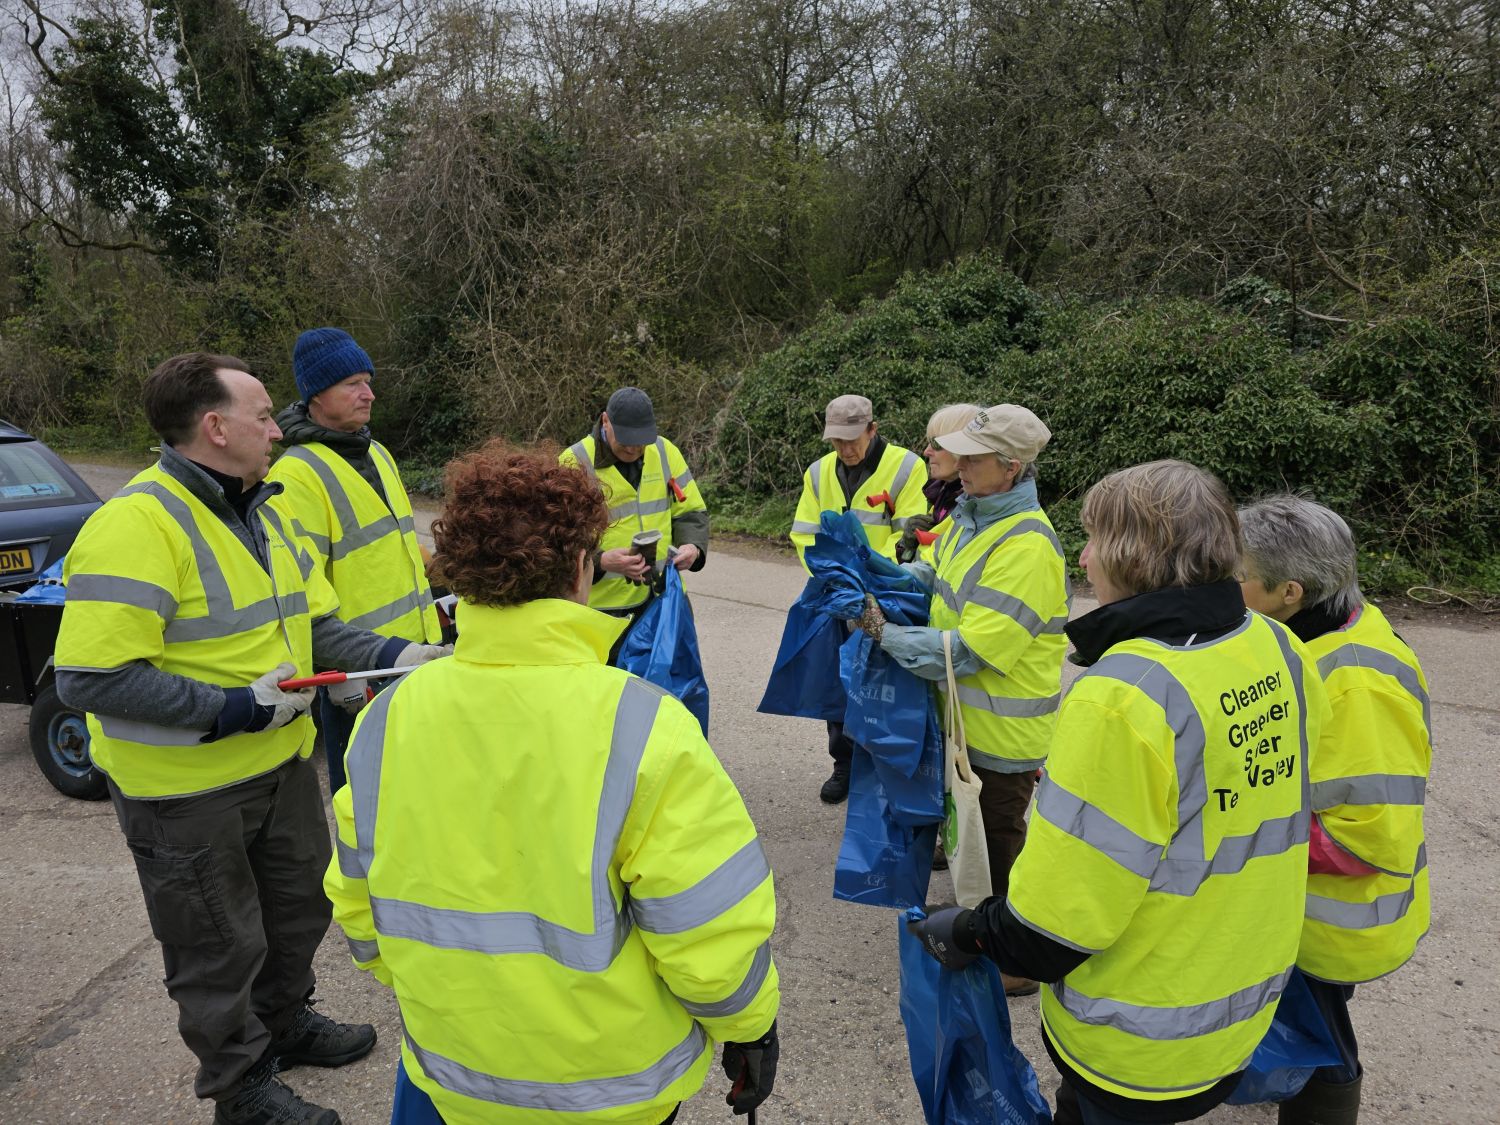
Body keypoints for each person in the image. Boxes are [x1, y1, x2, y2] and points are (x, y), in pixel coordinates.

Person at [324, 442, 780, 1125]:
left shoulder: (387, 718)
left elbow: (360, 907)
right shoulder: (643, 722)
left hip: (455, 1075)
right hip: (616, 1091)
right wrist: (750, 1026)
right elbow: (705, 924)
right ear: (579, 567)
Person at [54, 353, 451, 1125]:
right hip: (186, 793)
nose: (278, 427)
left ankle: (285, 1020)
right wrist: (236, 706)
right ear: (215, 426)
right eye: (264, 414)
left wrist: (401, 658)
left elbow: (318, 624)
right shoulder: (137, 524)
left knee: (299, 908)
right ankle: (240, 1088)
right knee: (215, 947)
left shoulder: (265, 508)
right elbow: (90, 679)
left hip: (281, 765)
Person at [908, 460, 1329, 1125]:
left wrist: (969, 930)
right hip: (1240, 1005)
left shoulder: (1122, 696)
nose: (1084, 556)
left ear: (1134, 556)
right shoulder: (1278, 644)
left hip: (1136, 1038)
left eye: (1096, 539)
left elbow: (1053, 927)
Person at [1239, 495, 1431, 1125]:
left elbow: (1369, 838)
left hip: (1328, 920)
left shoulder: (1356, 683)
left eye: (1235, 575)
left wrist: (1237, 832)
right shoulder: (1312, 635)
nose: (1222, 584)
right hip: (1300, 908)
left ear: (1288, 590)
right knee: (1306, 1025)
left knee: (1322, 1043)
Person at [864, 404, 1067, 995]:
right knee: (972, 837)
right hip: (964, 723)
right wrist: (876, 568)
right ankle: (984, 930)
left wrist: (885, 632)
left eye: (972, 458)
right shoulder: (971, 517)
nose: (960, 465)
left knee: (1000, 840)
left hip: (1002, 735)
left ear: (1009, 468)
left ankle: (1019, 963)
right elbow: (933, 579)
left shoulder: (1028, 547)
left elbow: (974, 648)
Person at [266, 327, 442, 793]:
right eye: (352, 384)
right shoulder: (297, 474)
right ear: (315, 395)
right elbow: (301, 595)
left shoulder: (376, 452)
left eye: (368, 380)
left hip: (416, 661)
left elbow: (393, 551)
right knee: (368, 811)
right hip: (360, 680)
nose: (369, 393)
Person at [790, 393, 929, 802]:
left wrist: (866, 579)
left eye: (853, 439)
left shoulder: (906, 468)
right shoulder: (817, 474)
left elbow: (912, 539)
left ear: (873, 429)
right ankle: (845, 764)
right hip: (835, 595)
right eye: (837, 441)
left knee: (883, 687)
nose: (846, 449)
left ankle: (884, 768)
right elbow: (803, 534)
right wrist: (833, 578)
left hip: (884, 596)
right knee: (838, 683)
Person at [560, 387, 709, 632]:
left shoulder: (665, 451)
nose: (633, 449)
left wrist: (692, 547)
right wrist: (601, 561)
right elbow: (560, 539)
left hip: (664, 600)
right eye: (626, 440)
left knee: (672, 671)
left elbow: (690, 512)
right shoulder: (573, 462)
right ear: (605, 420)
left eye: (641, 442)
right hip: (602, 612)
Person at [895, 402, 983, 563]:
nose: (926, 451)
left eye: (936, 444)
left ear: (965, 448)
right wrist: (906, 545)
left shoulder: (976, 507)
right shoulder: (945, 492)